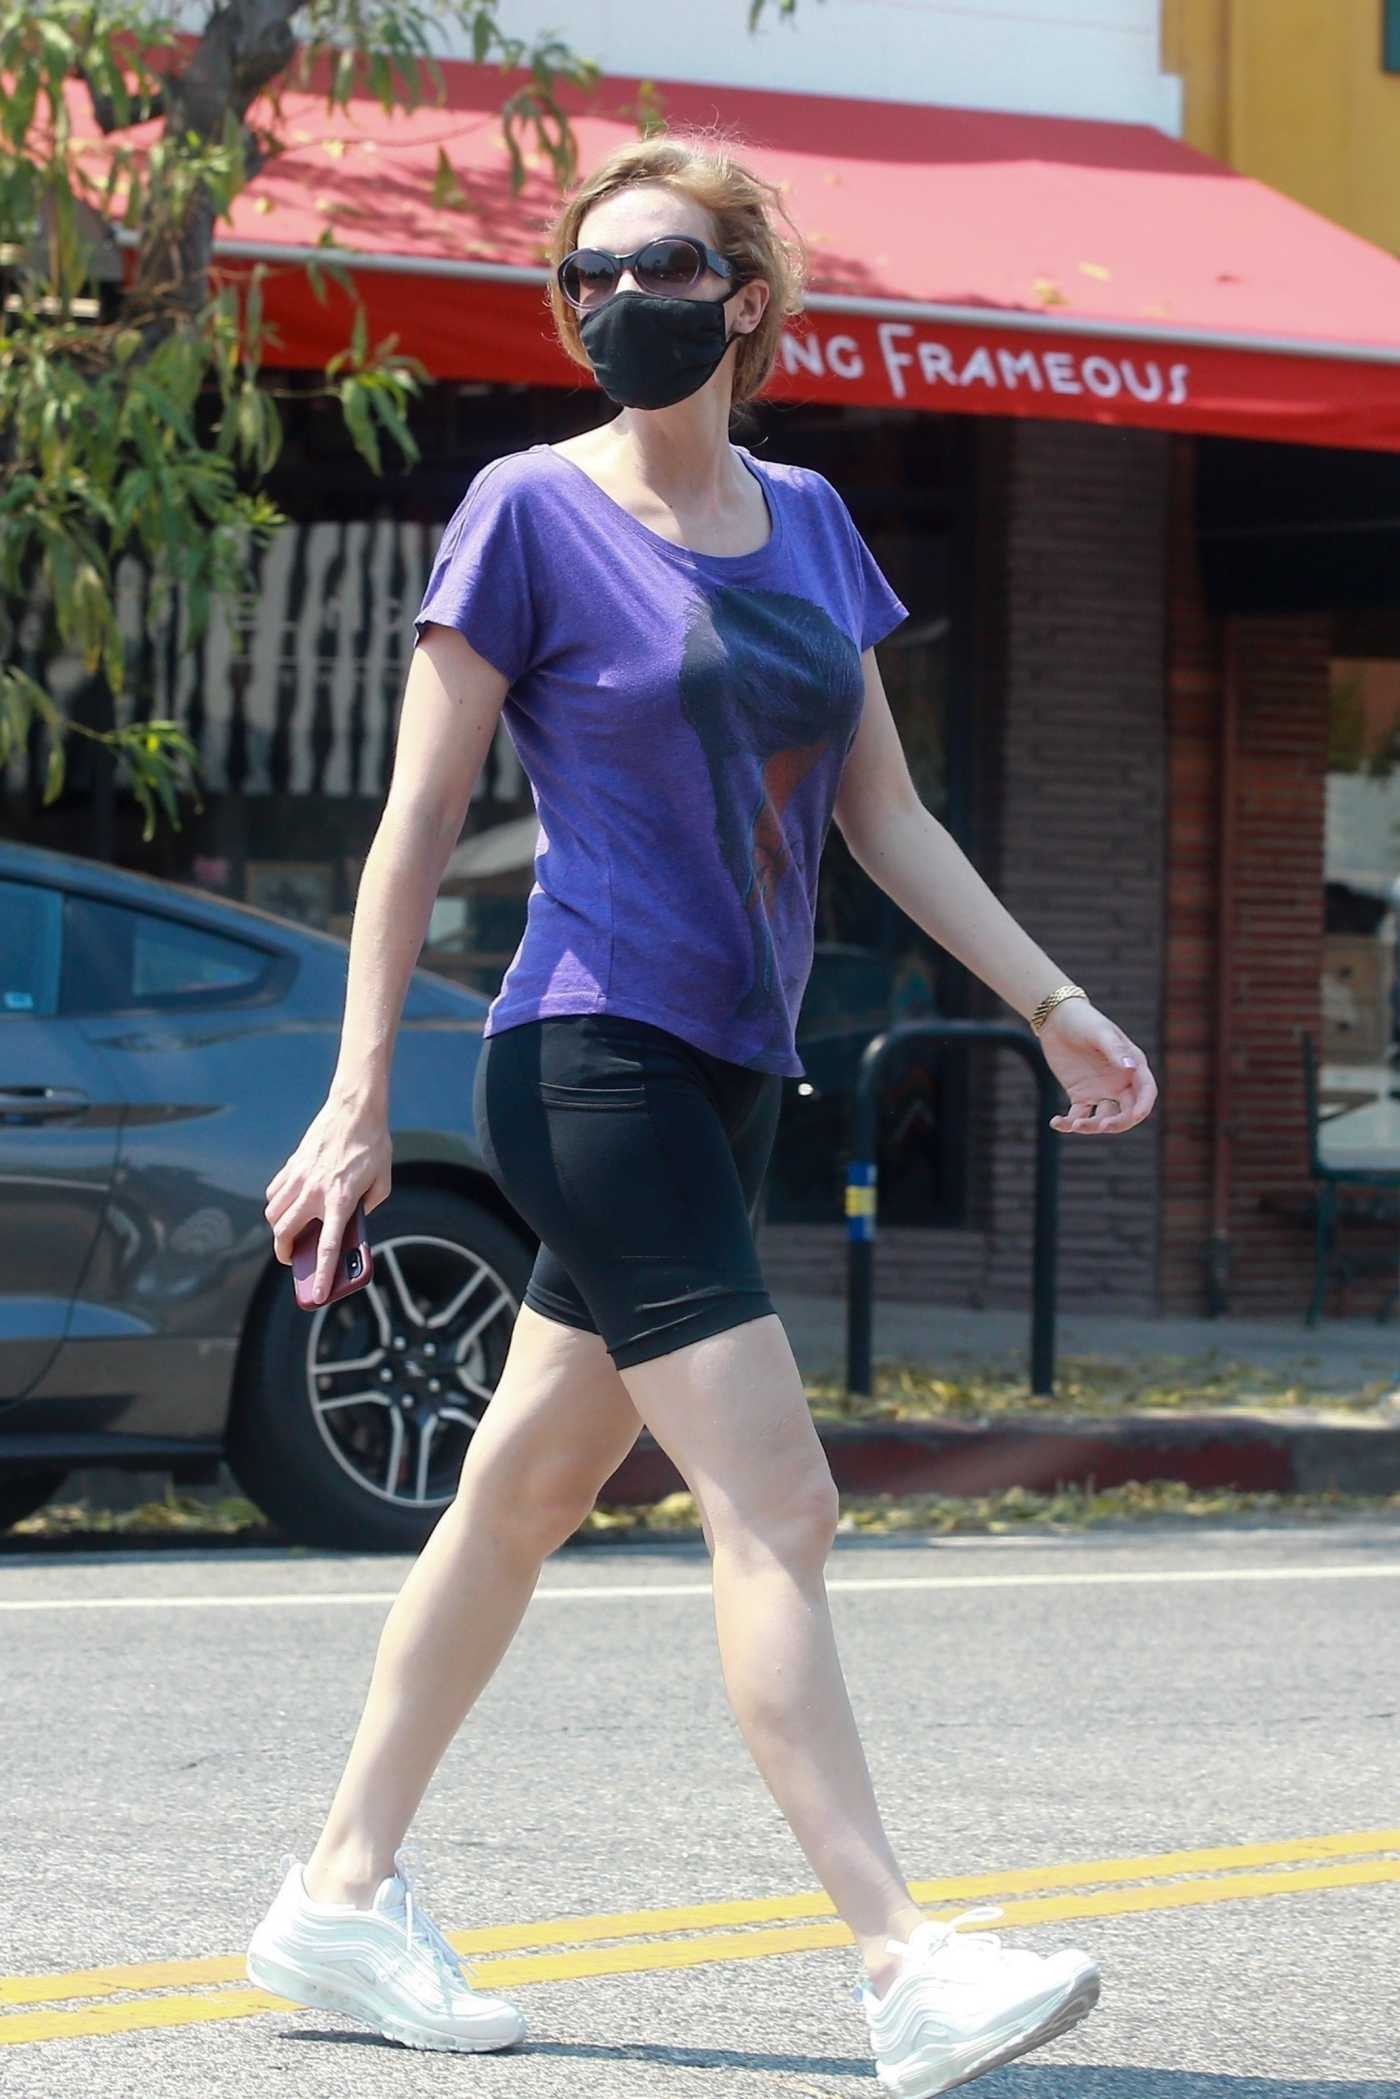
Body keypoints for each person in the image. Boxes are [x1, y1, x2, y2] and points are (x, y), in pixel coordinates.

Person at [246, 132, 1157, 2096]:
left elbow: (883, 812)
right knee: (782, 1503)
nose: (609, 305)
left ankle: (339, 1883)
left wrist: (1053, 1002)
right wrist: (353, 1102)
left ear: (741, 296)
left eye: (650, 269)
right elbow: (413, 832)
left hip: (734, 1067)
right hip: (591, 1053)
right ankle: (903, 1960)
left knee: (519, 1500)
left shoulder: (816, 522)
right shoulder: (524, 514)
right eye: (581, 278)